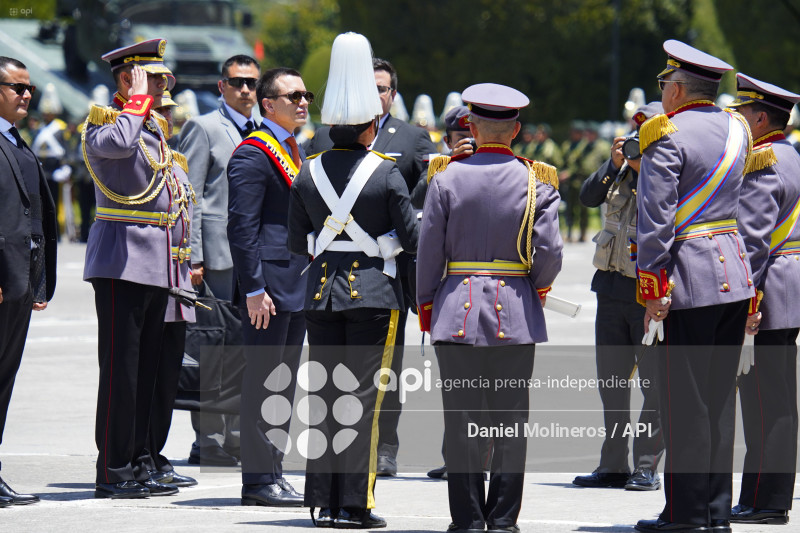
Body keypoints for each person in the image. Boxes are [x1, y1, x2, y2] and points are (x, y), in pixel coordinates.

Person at [417, 83, 563, 533]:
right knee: (510, 423)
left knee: (459, 419)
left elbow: (429, 253)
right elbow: (551, 252)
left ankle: (465, 519)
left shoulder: (445, 177)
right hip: (515, 311)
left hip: (456, 309)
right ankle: (502, 519)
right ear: (516, 130)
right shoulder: (537, 180)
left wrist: (427, 302)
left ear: (473, 127)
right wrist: (531, 287)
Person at [288, 31, 418, 529]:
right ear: (369, 127)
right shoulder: (387, 174)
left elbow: (296, 241)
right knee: (363, 401)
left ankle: (323, 501)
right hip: (373, 294)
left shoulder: (308, 171)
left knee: (324, 396)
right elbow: (410, 237)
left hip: (320, 293)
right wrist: (382, 245)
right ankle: (355, 504)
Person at [633, 40, 753, 533]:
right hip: (735, 275)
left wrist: (653, 287)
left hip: (688, 278)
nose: (663, 93)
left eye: (664, 85)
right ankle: (716, 512)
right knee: (719, 401)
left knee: (685, 402)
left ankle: (686, 516)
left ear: (677, 89)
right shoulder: (739, 129)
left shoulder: (666, 133)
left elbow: (656, 221)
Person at [304, 58, 436, 476]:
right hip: (338, 275)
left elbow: (425, 200)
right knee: (334, 375)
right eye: (368, 88)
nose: (375, 96)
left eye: (382, 88)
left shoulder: (413, 138)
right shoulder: (322, 137)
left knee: (385, 371)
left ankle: (384, 446)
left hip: (388, 270)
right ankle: (344, 459)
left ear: (392, 94)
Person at [82, 38, 186, 499]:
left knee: (145, 371)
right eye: (155, 77)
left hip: (155, 264)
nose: (166, 85)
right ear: (129, 79)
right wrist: (138, 101)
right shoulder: (105, 127)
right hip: (121, 263)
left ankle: (139, 460)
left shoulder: (152, 130)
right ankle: (112, 468)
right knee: (121, 371)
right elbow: (119, 147)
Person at [227, 66, 309, 507]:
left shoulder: (293, 150)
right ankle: (258, 480)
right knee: (263, 383)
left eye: (305, 95)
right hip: (268, 292)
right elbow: (241, 228)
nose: (302, 102)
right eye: (292, 95)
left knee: (284, 384)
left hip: (294, 284)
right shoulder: (254, 154)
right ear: (267, 104)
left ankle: (274, 471)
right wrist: (253, 288)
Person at [573, 102, 664, 492]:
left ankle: (646, 465)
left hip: (648, 294)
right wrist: (614, 165)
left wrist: (648, 171)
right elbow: (587, 198)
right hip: (610, 288)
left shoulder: (668, 175)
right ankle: (612, 465)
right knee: (611, 382)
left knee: (655, 385)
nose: (636, 146)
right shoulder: (621, 169)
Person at [179, 54, 261, 467]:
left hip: (256, 257)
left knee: (245, 349)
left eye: (251, 82)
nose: (245, 89)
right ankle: (208, 440)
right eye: (237, 82)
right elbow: (188, 195)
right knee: (213, 348)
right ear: (221, 86)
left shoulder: (267, 130)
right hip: (215, 256)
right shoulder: (204, 127)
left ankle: (234, 435)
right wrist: (192, 255)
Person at [728, 73, 800, 526]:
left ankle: (765, 500)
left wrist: (746, 301)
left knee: (763, 402)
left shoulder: (762, 159)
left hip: (768, 287)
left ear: (758, 116)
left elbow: (753, 241)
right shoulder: (793, 154)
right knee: (775, 399)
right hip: (790, 285)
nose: (737, 120)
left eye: (741, 113)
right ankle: (765, 496)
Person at [0, 56, 57, 508]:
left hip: (19, 283)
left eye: (29, 88)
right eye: (16, 87)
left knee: (3, 378)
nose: (26, 95)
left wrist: (35, 282)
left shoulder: (15, 140)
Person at [142, 92, 198, 489]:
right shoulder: (141, 155)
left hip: (179, 280)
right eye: (160, 109)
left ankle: (156, 454)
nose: (169, 115)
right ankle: (140, 455)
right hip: (152, 276)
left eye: (169, 109)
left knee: (166, 377)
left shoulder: (174, 161)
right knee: (145, 372)